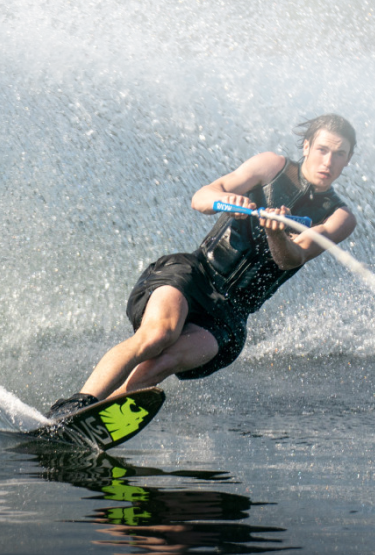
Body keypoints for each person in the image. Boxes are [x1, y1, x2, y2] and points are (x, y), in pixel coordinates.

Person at [47, 113, 357, 419]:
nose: (328, 161)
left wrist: (275, 234)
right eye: (322, 150)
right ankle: (76, 404)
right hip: (193, 275)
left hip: (229, 316)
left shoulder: (339, 217)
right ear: (306, 147)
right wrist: (227, 201)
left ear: (348, 159)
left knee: (161, 364)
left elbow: (291, 258)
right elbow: (201, 198)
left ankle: (87, 422)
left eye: (339, 154)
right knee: (159, 334)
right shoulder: (270, 166)